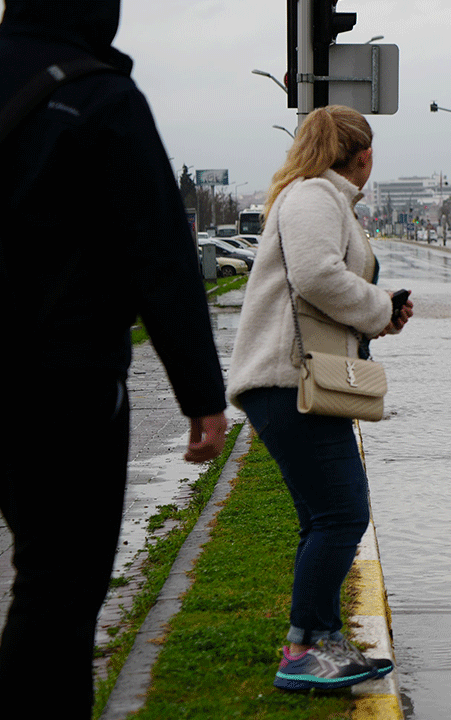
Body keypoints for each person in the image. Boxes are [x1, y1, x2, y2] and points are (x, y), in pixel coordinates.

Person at [0, 1, 229, 714]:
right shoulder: (102, 97)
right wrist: (202, 397)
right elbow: (159, 258)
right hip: (61, 390)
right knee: (56, 589)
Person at [226, 105, 413, 692]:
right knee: (342, 513)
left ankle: (324, 642)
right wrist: (379, 306)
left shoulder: (319, 197)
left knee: (323, 518)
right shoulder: (313, 197)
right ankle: (303, 650)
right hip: (288, 381)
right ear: (363, 155)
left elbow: (323, 284)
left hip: (297, 380)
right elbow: (315, 275)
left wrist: (380, 315)